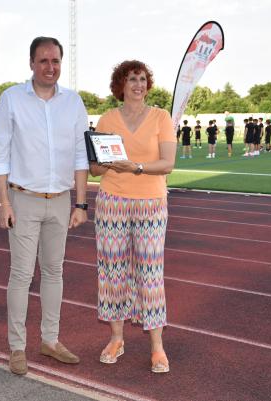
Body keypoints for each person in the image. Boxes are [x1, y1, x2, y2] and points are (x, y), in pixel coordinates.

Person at [0, 36, 89, 376]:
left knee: (54, 272)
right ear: (31, 63)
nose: (51, 66)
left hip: (61, 201)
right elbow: (0, 154)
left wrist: (81, 203)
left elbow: (80, 155)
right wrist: (3, 202)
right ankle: (17, 347)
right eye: (44, 60)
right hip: (23, 198)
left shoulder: (73, 102)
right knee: (21, 275)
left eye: (56, 60)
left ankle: (50, 339)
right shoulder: (12, 99)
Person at [89, 60, 176, 373]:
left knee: (150, 274)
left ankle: (157, 346)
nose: (138, 84)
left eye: (142, 79)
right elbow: (95, 169)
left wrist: (136, 166)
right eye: (131, 79)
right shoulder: (107, 119)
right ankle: (116, 339)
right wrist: (112, 164)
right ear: (120, 85)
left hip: (151, 203)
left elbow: (167, 163)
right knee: (112, 271)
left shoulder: (160, 117)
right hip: (112, 201)